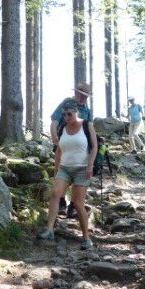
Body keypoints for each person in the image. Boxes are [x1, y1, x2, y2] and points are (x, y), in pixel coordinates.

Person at [38, 98, 98, 250]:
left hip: (82, 169)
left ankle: (86, 238)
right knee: (55, 194)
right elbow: (59, 150)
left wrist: (90, 165)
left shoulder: (87, 125)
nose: (66, 117)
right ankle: (49, 230)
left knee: (77, 203)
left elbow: (94, 147)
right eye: (64, 114)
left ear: (76, 112)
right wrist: (56, 170)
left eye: (69, 114)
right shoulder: (63, 128)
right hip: (64, 168)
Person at [50, 82, 93, 217]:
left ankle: (73, 205)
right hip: (64, 145)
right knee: (60, 172)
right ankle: (61, 202)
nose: (83, 99)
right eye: (81, 95)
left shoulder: (86, 110)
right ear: (76, 93)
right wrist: (55, 138)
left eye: (86, 97)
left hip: (81, 150)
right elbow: (54, 122)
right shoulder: (66, 103)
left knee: (79, 177)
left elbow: (90, 128)